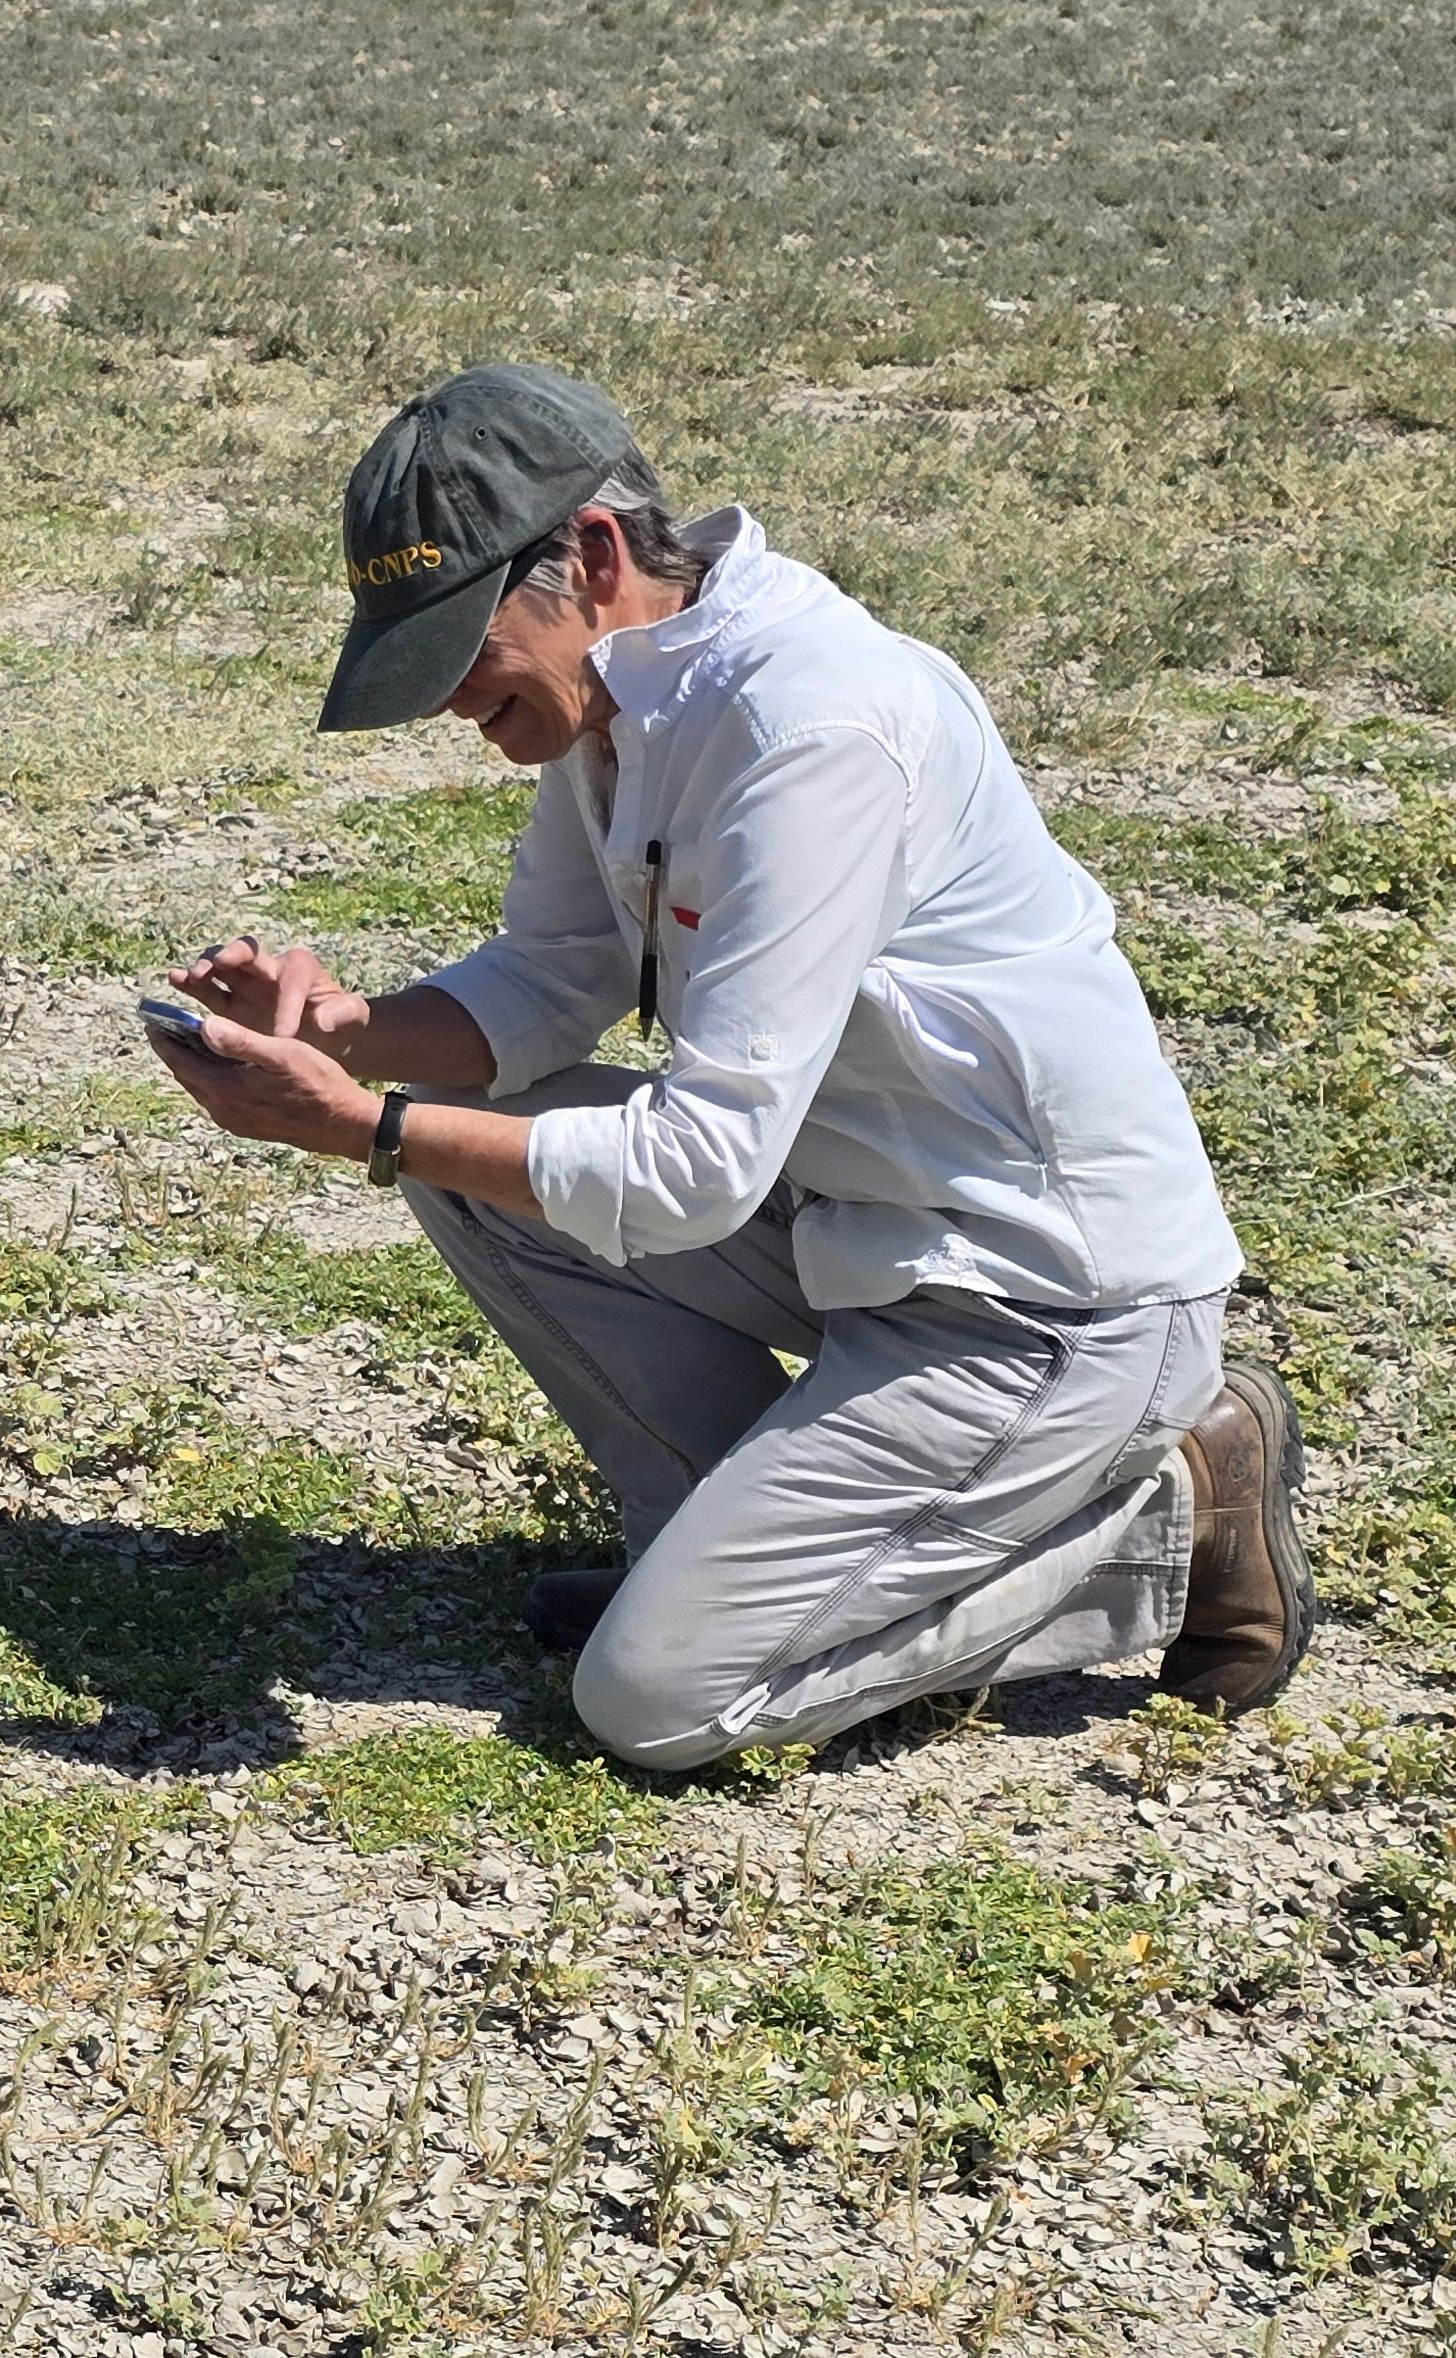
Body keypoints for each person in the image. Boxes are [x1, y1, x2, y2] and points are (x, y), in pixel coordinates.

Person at [144, 361, 1309, 1773]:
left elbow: (698, 1170)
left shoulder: (805, 723)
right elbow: (552, 978)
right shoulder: (625, 706)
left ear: (591, 555)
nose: (448, 697)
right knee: (467, 1128)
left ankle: (1173, 1523)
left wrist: (366, 1131)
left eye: (463, 642)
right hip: (859, 1232)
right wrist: (344, 1035)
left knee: (656, 1703)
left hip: (1044, 1304)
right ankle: (721, 1558)